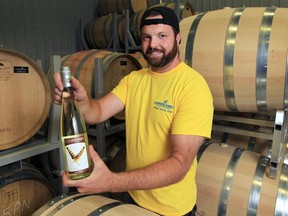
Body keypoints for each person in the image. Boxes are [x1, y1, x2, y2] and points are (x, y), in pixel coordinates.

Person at [52, 6, 213, 216]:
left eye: (162, 36)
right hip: (133, 196)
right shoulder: (134, 79)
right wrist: (80, 100)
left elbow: (179, 165)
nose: (153, 44)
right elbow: (97, 112)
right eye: (146, 37)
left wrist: (111, 181)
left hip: (171, 209)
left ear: (178, 38)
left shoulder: (192, 87)